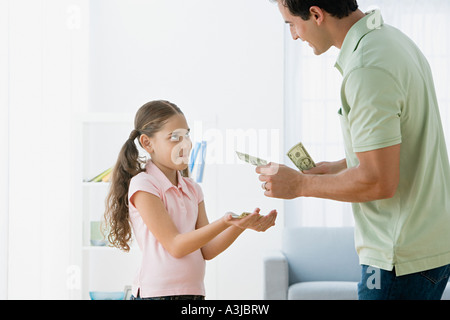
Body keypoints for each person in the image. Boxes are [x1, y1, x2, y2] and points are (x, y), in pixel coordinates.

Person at [259, 0, 450, 299]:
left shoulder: (366, 67)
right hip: (429, 244)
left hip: (396, 257)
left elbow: (378, 181)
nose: (294, 36)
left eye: (292, 25)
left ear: (316, 14)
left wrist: (299, 184)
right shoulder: (392, 41)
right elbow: (403, 146)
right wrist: (338, 167)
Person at [104, 100, 277, 300]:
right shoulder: (144, 184)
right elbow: (176, 245)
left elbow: (207, 250)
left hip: (194, 294)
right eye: (175, 137)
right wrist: (224, 221)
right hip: (156, 296)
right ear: (147, 143)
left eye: (187, 134)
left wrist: (239, 225)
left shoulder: (193, 189)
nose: (185, 143)